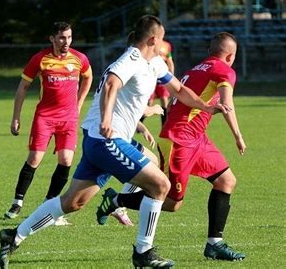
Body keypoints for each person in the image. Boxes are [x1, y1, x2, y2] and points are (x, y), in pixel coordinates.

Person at [0, 15, 229, 268]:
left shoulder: (155, 63)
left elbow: (180, 91)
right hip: (107, 139)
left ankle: (14, 235)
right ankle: (143, 253)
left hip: (100, 140)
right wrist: (106, 119)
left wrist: (206, 107)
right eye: (161, 38)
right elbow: (110, 84)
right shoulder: (131, 59)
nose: (164, 43)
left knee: (74, 201)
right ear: (153, 39)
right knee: (160, 185)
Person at [96, 32, 245, 261]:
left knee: (226, 181)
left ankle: (214, 243)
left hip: (197, 137)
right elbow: (227, 103)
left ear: (210, 51)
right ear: (231, 55)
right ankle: (116, 200)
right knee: (172, 203)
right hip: (178, 140)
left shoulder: (196, 68)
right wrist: (237, 135)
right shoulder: (225, 70)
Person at [3, 21, 93, 225]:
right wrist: (16, 117)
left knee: (66, 160)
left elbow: (88, 78)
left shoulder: (80, 58)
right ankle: (17, 202)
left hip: (69, 118)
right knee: (35, 158)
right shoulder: (40, 59)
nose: (66, 41)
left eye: (69, 37)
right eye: (62, 37)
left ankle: (49, 206)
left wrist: (78, 104)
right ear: (52, 38)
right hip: (45, 116)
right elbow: (23, 87)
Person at [147, 40, 175, 125]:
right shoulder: (150, 43)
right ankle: (140, 122)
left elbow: (169, 59)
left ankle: (164, 124)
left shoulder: (167, 45)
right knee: (150, 102)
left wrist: (171, 74)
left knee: (164, 99)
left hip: (161, 77)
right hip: (151, 77)